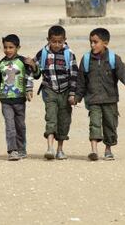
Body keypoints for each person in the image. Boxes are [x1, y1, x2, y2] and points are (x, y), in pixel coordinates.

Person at [75, 28, 125, 161]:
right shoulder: (86, 59)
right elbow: (81, 81)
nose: (92, 45)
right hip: (93, 99)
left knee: (110, 125)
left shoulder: (114, 59)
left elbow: (123, 72)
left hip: (110, 99)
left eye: (95, 42)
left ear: (105, 43)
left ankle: (108, 149)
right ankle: (94, 151)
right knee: (94, 124)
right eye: (91, 42)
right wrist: (77, 97)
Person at [28, 25, 78, 160]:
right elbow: (35, 73)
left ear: (64, 40)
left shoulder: (69, 54)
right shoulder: (43, 53)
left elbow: (74, 75)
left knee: (64, 120)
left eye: (59, 42)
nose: (56, 44)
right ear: (48, 40)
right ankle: (49, 148)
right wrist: (29, 85)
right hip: (49, 90)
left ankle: (60, 149)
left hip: (66, 92)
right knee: (51, 118)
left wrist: (73, 94)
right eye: (53, 41)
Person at [0, 34, 35, 161]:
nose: (8, 50)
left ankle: (21, 149)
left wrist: (33, 65)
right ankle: (12, 151)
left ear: (18, 48)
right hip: (6, 100)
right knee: (10, 126)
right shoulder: (1, 63)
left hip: (20, 100)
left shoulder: (23, 62)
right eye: (5, 47)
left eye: (11, 47)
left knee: (20, 126)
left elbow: (35, 74)